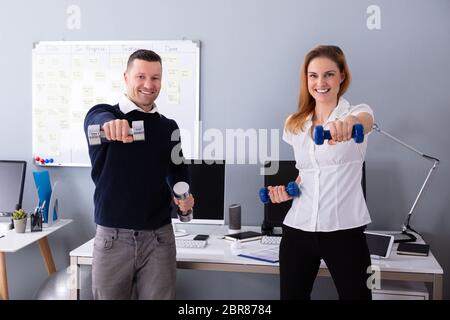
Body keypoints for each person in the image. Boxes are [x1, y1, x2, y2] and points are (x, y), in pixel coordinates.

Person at [83, 49, 194, 300]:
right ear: (126, 77)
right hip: (113, 238)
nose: (148, 84)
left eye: (155, 78)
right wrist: (110, 125)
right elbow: (95, 120)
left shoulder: (168, 127)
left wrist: (184, 196)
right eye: (141, 76)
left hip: (159, 238)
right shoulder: (105, 114)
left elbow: (178, 170)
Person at [268, 45, 374, 300]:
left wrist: (347, 125)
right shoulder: (294, 123)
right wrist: (286, 192)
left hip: (344, 231)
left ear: (342, 76)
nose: (320, 82)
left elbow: (364, 121)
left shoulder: (357, 112)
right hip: (297, 229)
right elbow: (307, 173)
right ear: (306, 80)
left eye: (328, 74)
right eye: (313, 75)